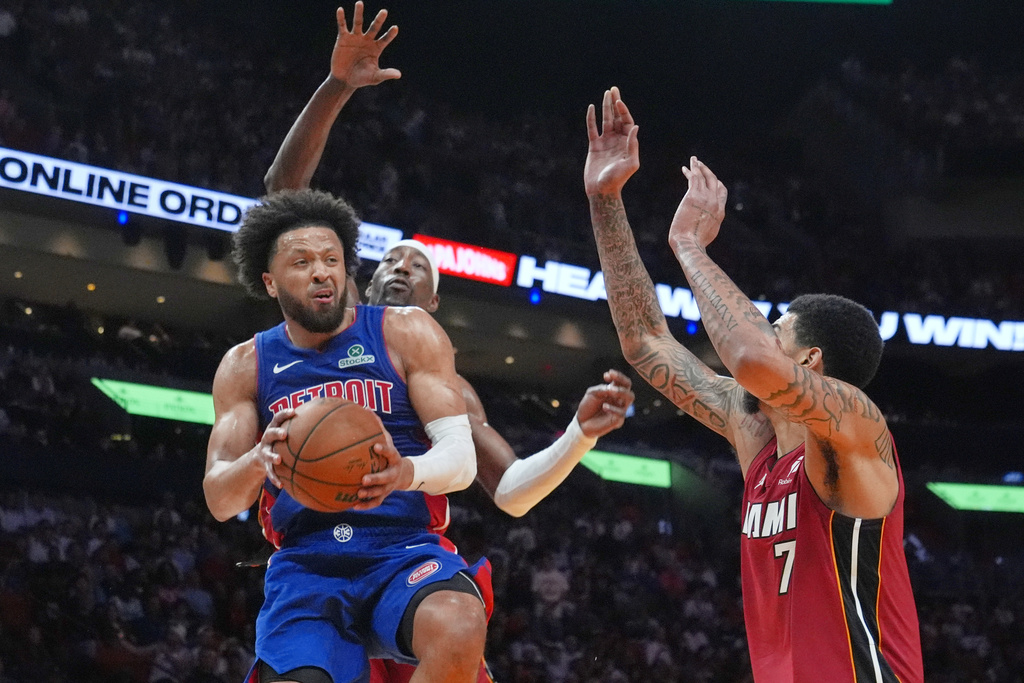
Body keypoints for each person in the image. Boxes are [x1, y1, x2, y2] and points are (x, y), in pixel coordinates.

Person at [261, 6, 635, 681]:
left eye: (419, 267)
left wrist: (579, 434)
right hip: (314, 562)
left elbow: (511, 491)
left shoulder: (447, 382)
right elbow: (283, 193)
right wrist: (337, 86)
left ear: (433, 304)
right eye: (392, 260)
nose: (403, 266)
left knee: (458, 634)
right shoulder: (329, 317)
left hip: (406, 568)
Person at [583, 87, 924, 682]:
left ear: (811, 360)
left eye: (776, 328)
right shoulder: (756, 434)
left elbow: (749, 359)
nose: (762, 331)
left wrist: (688, 246)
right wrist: (605, 200)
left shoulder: (855, 425)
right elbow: (645, 341)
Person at [203, 188, 488, 683]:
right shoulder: (245, 364)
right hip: (307, 563)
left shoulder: (406, 331)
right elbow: (220, 499)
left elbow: (462, 461)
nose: (322, 272)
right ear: (270, 282)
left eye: (332, 259)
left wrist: (404, 472)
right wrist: (258, 460)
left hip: (402, 549)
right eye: (302, 262)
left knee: (459, 626)